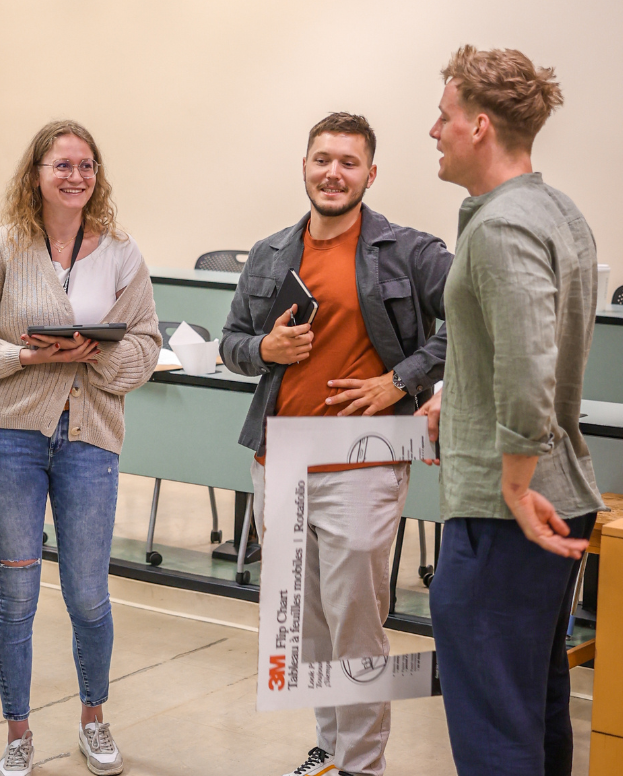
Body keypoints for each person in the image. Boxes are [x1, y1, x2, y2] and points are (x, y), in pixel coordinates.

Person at [220, 112, 453, 776]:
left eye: (348, 162)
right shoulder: (270, 253)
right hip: (280, 461)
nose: (333, 172)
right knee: (308, 628)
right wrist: (263, 348)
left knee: (355, 623)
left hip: (366, 457)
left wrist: (398, 382)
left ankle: (362, 766)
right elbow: (231, 341)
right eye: (322, 159)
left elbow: (475, 308)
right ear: (304, 167)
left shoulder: (409, 251)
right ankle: (332, 747)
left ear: (370, 175)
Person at [0, 120, 160, 776]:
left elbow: (147, 348)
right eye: (61, 165)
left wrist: (93, 357)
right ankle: (18, 733)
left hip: (90, 439)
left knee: (89, 593)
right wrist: (24, 354)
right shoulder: (1, 249)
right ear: (35, 174)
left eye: (86, 166)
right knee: (16, 594)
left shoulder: (122, 252)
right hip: (9, 438)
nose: (75, 177)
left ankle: (93, 719)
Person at [420, 45, 604, 776]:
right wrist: (451, 395)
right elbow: (520, 345)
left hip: (510, 514)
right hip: (550, 499)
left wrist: (517, 484)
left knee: (494, 723)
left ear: (481, 126)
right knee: (532, 705)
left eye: (444, 116)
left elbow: (529, 365)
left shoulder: (499, 229)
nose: (433, 130)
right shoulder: (557, 211)